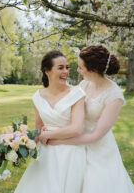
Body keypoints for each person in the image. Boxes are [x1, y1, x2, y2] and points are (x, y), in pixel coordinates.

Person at [44, 45, 134, 193]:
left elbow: (96, 135)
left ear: (93, 70)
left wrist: (60, 141)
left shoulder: (114, 96)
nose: (77, 70)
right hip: (76, 145)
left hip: (99, 151)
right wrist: (53, 127)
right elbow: (71, 111)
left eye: (81, 67)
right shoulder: (84, 84)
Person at [14, 51, 87, 193]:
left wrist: (48, 135)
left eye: (67, 67)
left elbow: (76, 128)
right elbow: (39, 128)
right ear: (47, 71)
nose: (65, 71)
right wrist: (18, 145)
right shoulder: (37, 97)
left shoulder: (77, 94)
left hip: (71, 152)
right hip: (46, 153)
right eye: (60, 68)